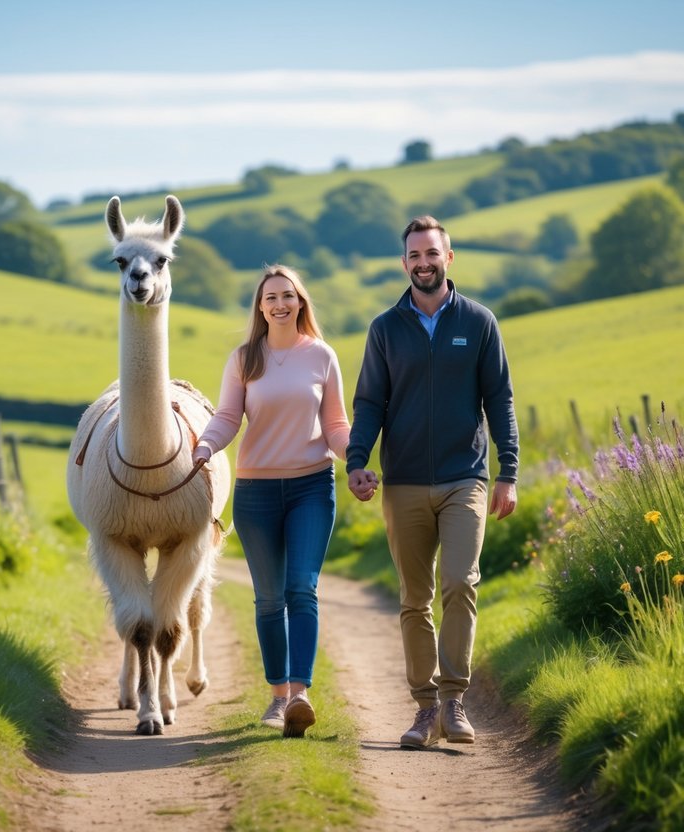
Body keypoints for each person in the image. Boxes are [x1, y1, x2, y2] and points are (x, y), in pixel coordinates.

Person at [346, 216, 519, 750]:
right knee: (414, 598)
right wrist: (357, 459)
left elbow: (500, 400)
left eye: (432, 253)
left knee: (461, 582)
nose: (423, 262)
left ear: (449, 257)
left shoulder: (479, 321)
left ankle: (454, 700)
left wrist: (508, 472)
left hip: (465, 475)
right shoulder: (385, 328)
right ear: (404, 264)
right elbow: (370, 400)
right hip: (402, 483)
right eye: (414, 255)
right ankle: (424, 711)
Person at [194, 265, 351, 739]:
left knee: (301, 588)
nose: (280, 304)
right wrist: (204, 447)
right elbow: (227, 417)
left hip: (311, 486)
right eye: (270, 298)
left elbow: (337, 424)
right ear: (260, 308)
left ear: (301, 302)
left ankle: (300, 695)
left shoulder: (321, 356)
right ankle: (278, 696)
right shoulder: (245, 359)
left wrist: (357, 460)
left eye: (288, 295)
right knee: (268, 599)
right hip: (256, 492)